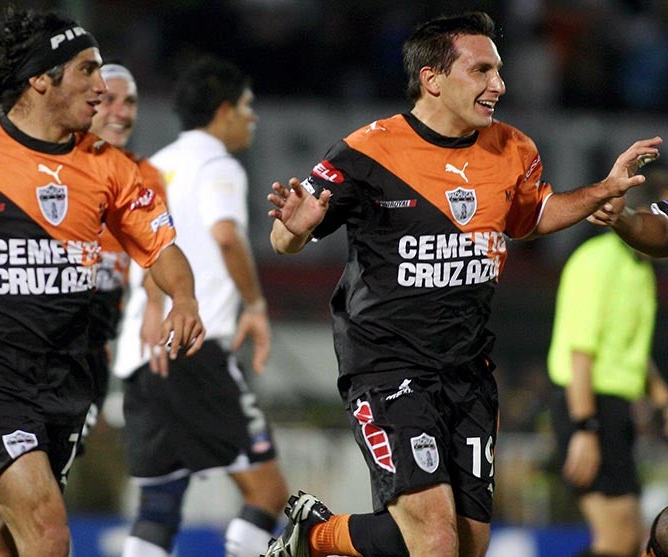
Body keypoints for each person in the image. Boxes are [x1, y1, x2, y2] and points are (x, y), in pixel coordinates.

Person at [262, 11, 661, 557]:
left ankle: (316, 537)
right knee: (434, 536)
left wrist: (603, 190)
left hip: (468, 372)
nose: (499, 85)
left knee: (467, 542)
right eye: (482, 71)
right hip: (388, 367)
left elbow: (534, 215)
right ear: (433, 79)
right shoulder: (367, 152)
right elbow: (287, 236)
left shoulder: (513, 149)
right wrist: (294, 229)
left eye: (498, 71)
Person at [0, 6, 203, 557]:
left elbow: (163, 248)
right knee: (47, 532)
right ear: (42, 80)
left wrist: (184, 298)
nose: (102, 87)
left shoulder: (108, 166)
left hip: (66, 376)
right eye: (88, 71)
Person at [0, 60, 168, 531]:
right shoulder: (46, 165)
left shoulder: (140, 177)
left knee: (12, 517)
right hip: (18, 351)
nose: (121, 111)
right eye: (109, 99)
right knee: (36, 512)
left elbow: (155, 250)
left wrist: (156, 305)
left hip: (86, 351)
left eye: (131, 102)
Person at [112, 55, 289, 557]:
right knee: (269, 493)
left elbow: (145, 252)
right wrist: (254, 304)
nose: (253, 117)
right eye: (248, 106)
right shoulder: (218, 165)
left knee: (159, 506)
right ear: (224, 110)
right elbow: (226, 236)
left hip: (141, 356)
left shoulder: (154, 166)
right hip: (195, 348)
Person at [548, 175, 668, 557]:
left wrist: (661, 395)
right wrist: (585, 429)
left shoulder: (642, 270)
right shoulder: (596, 261)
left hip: (614, 410)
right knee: (616, 541)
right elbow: (579, 352)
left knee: (630, 541)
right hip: (587, 405)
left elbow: (628, 346)